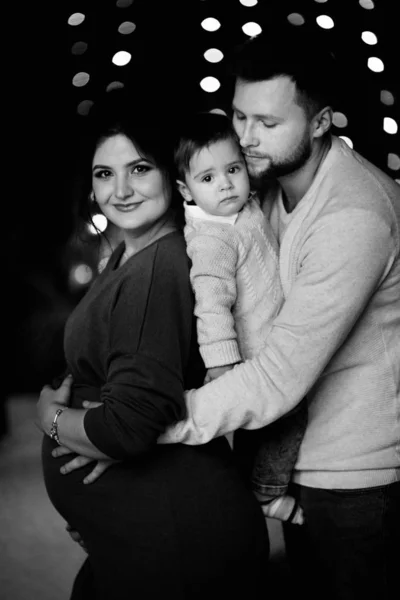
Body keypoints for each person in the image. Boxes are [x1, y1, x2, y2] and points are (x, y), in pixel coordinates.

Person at [157, 31, 400, 600]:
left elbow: (277, 377)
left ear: (320, 122)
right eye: (239, 116)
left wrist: (145, 426)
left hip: (356, 485)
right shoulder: (257, 192)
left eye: (267, 123)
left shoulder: (354, 216)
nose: (244, 138)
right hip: (299, 466)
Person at [35, 93, 269, 599]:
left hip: (176, 537)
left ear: (172, 174)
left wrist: (51, 421)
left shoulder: (160, 268)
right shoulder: (126, 253)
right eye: (104, 173)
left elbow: (127, 428)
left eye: (139, 168)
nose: (119, 190)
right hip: (145, 532)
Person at [174, 110, 306, 524]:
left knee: (260, 430)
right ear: (186, 189)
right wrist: (223, 366)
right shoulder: (211, 239)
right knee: (283, 420)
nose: (226, 184)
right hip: (251, 357)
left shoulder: (242, 206)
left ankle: (251, 485)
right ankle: (265, 492)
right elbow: (210, 305)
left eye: (232, 169)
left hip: (273, 333)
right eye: (208, 179)